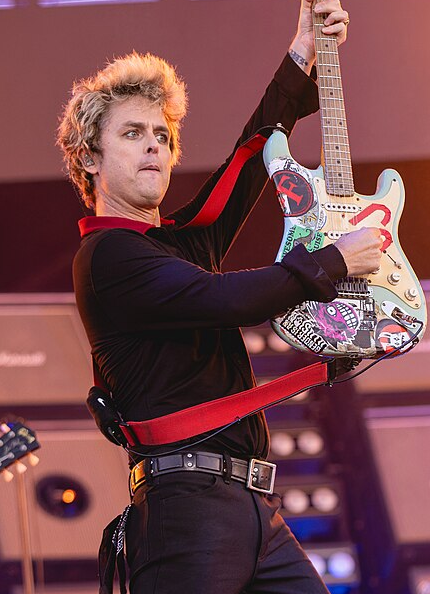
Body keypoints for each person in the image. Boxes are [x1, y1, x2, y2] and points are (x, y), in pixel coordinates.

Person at [59, 1, 382, 593]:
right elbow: (225, 298)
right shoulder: (107, 257)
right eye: (132, 134)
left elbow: (251, 163)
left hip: (251, 506)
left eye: (162, 134)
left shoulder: (171, 246)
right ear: (89, 158)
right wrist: (336, 261)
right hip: (186, 511)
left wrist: (303, 51)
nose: (154, 146)